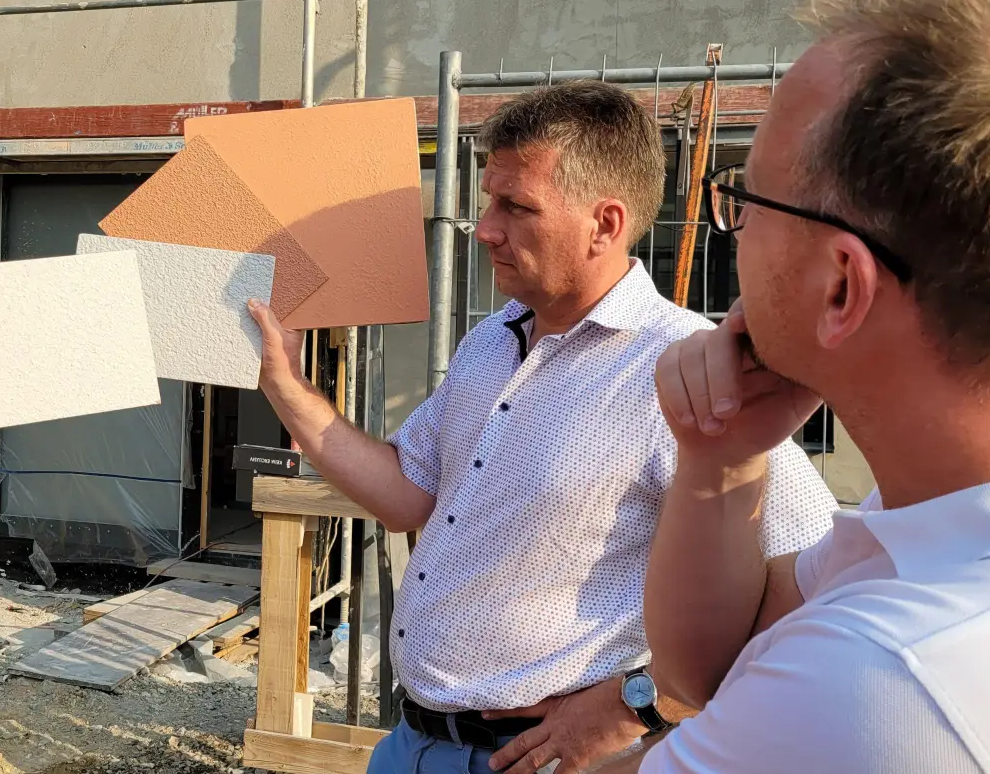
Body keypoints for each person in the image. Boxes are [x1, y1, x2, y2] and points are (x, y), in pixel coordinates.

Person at [248, 82, 838, 774]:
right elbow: (409, 492)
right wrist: (288, 388)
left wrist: (641, 703)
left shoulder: (684, 368)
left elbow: (815, 577)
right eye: (487, 201)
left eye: (515, 207)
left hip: (538, 760)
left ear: (605, 224)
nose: (485, 228)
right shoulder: (492, 341)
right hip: (409, 743)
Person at [625, 0, 990, 773]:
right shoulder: (981, 515)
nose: (733, 229)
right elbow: (708, 671)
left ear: (842, 285)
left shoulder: (886, 679)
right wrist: (719, 454)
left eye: (747, 199)